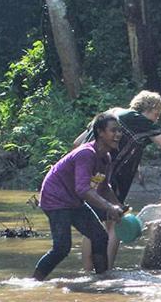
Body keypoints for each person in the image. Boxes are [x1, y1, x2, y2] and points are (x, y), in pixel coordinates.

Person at [73, 90, 161, 270]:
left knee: (93, 222)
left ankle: (88, 271)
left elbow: (77, 142)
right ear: (150, 108)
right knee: (114, 223)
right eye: (156, 114)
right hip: (109, 176)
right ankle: (106, 271)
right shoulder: (140, 121)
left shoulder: (111, 113)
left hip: (89, 173)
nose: (156, 120)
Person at [32, 112, 124, 281]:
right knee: (62, 247)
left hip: (73, 200)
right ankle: (33, 282)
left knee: (100, 236)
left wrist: (119, 206)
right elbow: (83, 189)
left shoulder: (106, 157)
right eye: (113, 131)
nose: (118, 135)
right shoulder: (86, 154)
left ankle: (101, 280)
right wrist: (109, 208)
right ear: (100, 132)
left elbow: (103, 187)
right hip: (55, 199)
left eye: (119, 131)